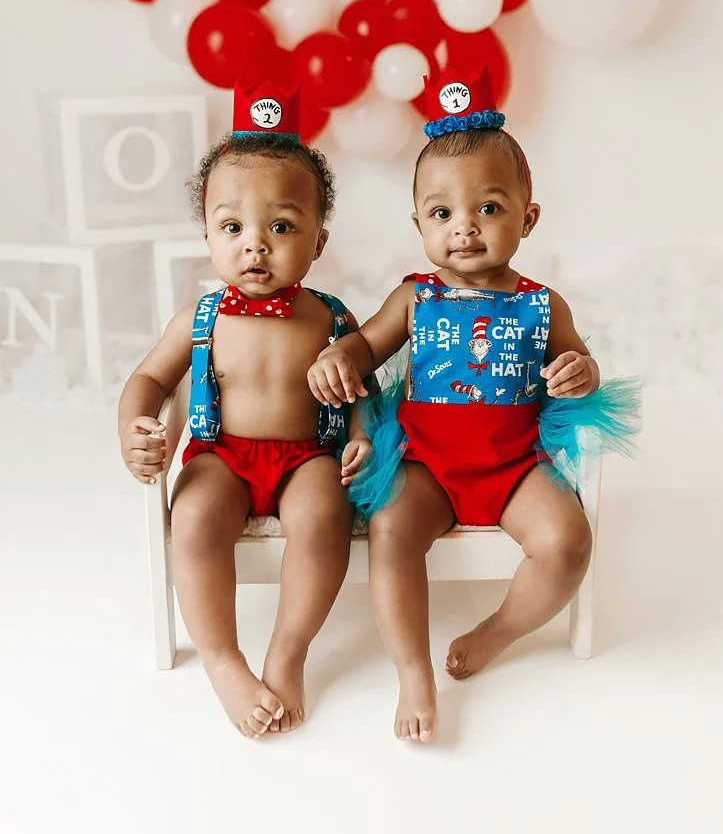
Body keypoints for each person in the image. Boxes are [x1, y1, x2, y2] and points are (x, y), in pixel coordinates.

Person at [308, 67, 639, 744]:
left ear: (527, 216)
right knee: (391, 533)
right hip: (427, 462)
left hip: (514, 463)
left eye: (488, 208)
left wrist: (578, 372)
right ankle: (412, 673)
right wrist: (341, 354)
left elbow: (581, 364)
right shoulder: (414, 296)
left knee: (567, 543)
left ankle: (499, 630)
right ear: (418, 225)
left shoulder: (542, 304)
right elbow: (366, 345)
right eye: (442, 214)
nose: (464, 228)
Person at [119, 82, 369, 739]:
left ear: (318, 240)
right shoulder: (199, 318)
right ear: (207, 234)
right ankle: (224, 660)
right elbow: (149, 378)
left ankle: (289, 651)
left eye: (281, 226)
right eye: (233, 227)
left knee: (325, 513)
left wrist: (361, 435)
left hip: (307, 456)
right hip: (222, 456)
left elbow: (364, 386)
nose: (255, 245)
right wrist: (135, 426)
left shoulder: (332, 319)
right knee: (194, 518)